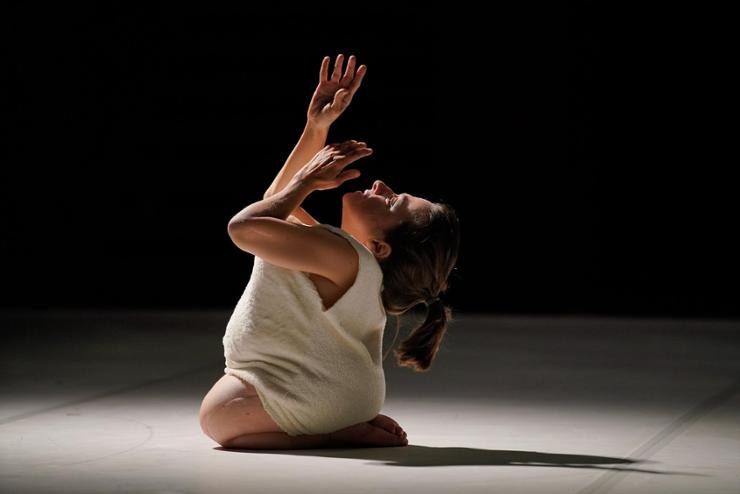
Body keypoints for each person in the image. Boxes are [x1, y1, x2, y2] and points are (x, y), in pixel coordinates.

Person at [199, 54, 461, 450]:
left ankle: (332, 432)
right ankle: (340, 420)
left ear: (380, 246)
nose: (382, 185)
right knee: (224, 404)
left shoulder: (346, 258)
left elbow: (244, 227)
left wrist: (306, 182)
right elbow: (275, 204)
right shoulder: (347, 255)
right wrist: (316, 127)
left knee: (217, 416)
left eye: (391, 202)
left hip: (323, 397)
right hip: (339, 394)